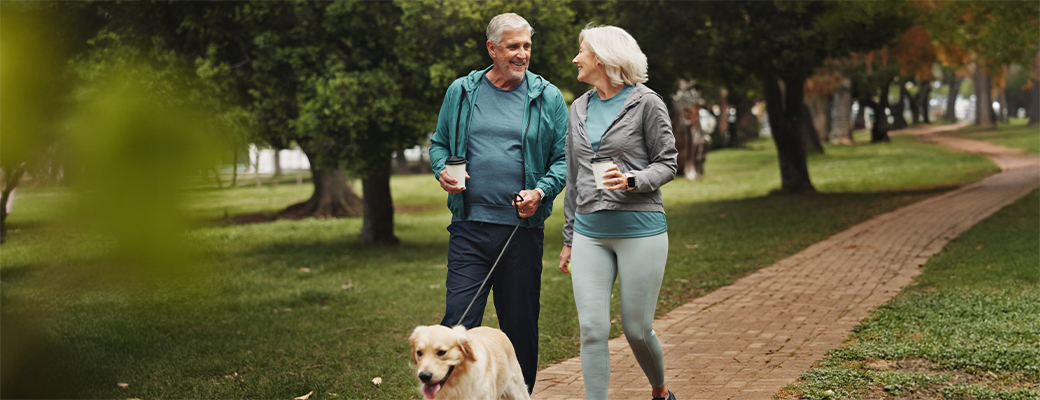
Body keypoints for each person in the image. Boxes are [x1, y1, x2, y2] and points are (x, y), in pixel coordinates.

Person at [428, 12, 568, 394]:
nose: (522, 54)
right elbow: (439, 144)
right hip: (469, 228)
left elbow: (563, 159)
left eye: (526, 46)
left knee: (519, 326)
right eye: (513, 47)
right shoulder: (462, 92)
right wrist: (442, 170)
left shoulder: (547, 96)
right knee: (458, 325)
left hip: (521, 234)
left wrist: (540, 193)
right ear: (492, 48)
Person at [558, 25, 678, 400]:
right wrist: (568, 239)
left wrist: (632, 181)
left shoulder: (646, 102)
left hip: (640, 229)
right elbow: (574, 178)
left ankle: (660, 393)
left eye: (582, 51)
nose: (576, 59)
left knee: (637, 329)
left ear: (604, 57)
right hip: (589, 232)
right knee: (592, 329)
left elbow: (668, 163)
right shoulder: (578, 107)